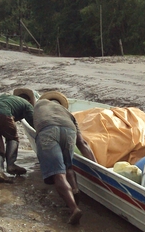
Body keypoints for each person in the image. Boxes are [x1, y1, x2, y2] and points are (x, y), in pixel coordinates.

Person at [32, 91, 98, 225]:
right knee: (68, 168)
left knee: (58, 175)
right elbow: (82, 143)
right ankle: (74, 193)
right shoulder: (68, 113)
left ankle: (74, 209)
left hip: (48, 130)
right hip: (69, 130)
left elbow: (34, 124)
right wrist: (97, 167)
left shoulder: (38, 106)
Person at [0, 88, 35, 183]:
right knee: (12, 139)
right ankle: (11, 165)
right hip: (4, 115)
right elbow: (33, 123)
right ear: (29, 100)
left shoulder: (4, 96)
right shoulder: (27, 104)